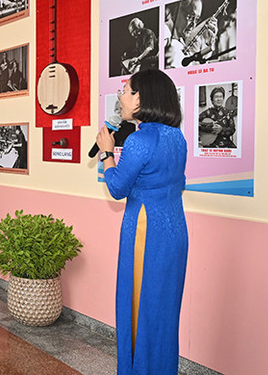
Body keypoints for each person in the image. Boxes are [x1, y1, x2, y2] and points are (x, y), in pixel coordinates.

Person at [95, 69, 188, 375]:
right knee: (163, 312)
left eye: (126, 90)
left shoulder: (140, 140)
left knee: (139, 308)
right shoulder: (178, 137)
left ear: (141, 98)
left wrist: (106, 154)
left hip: (145, 234)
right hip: (174, 231)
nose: (121, 96)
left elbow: (118, 188)